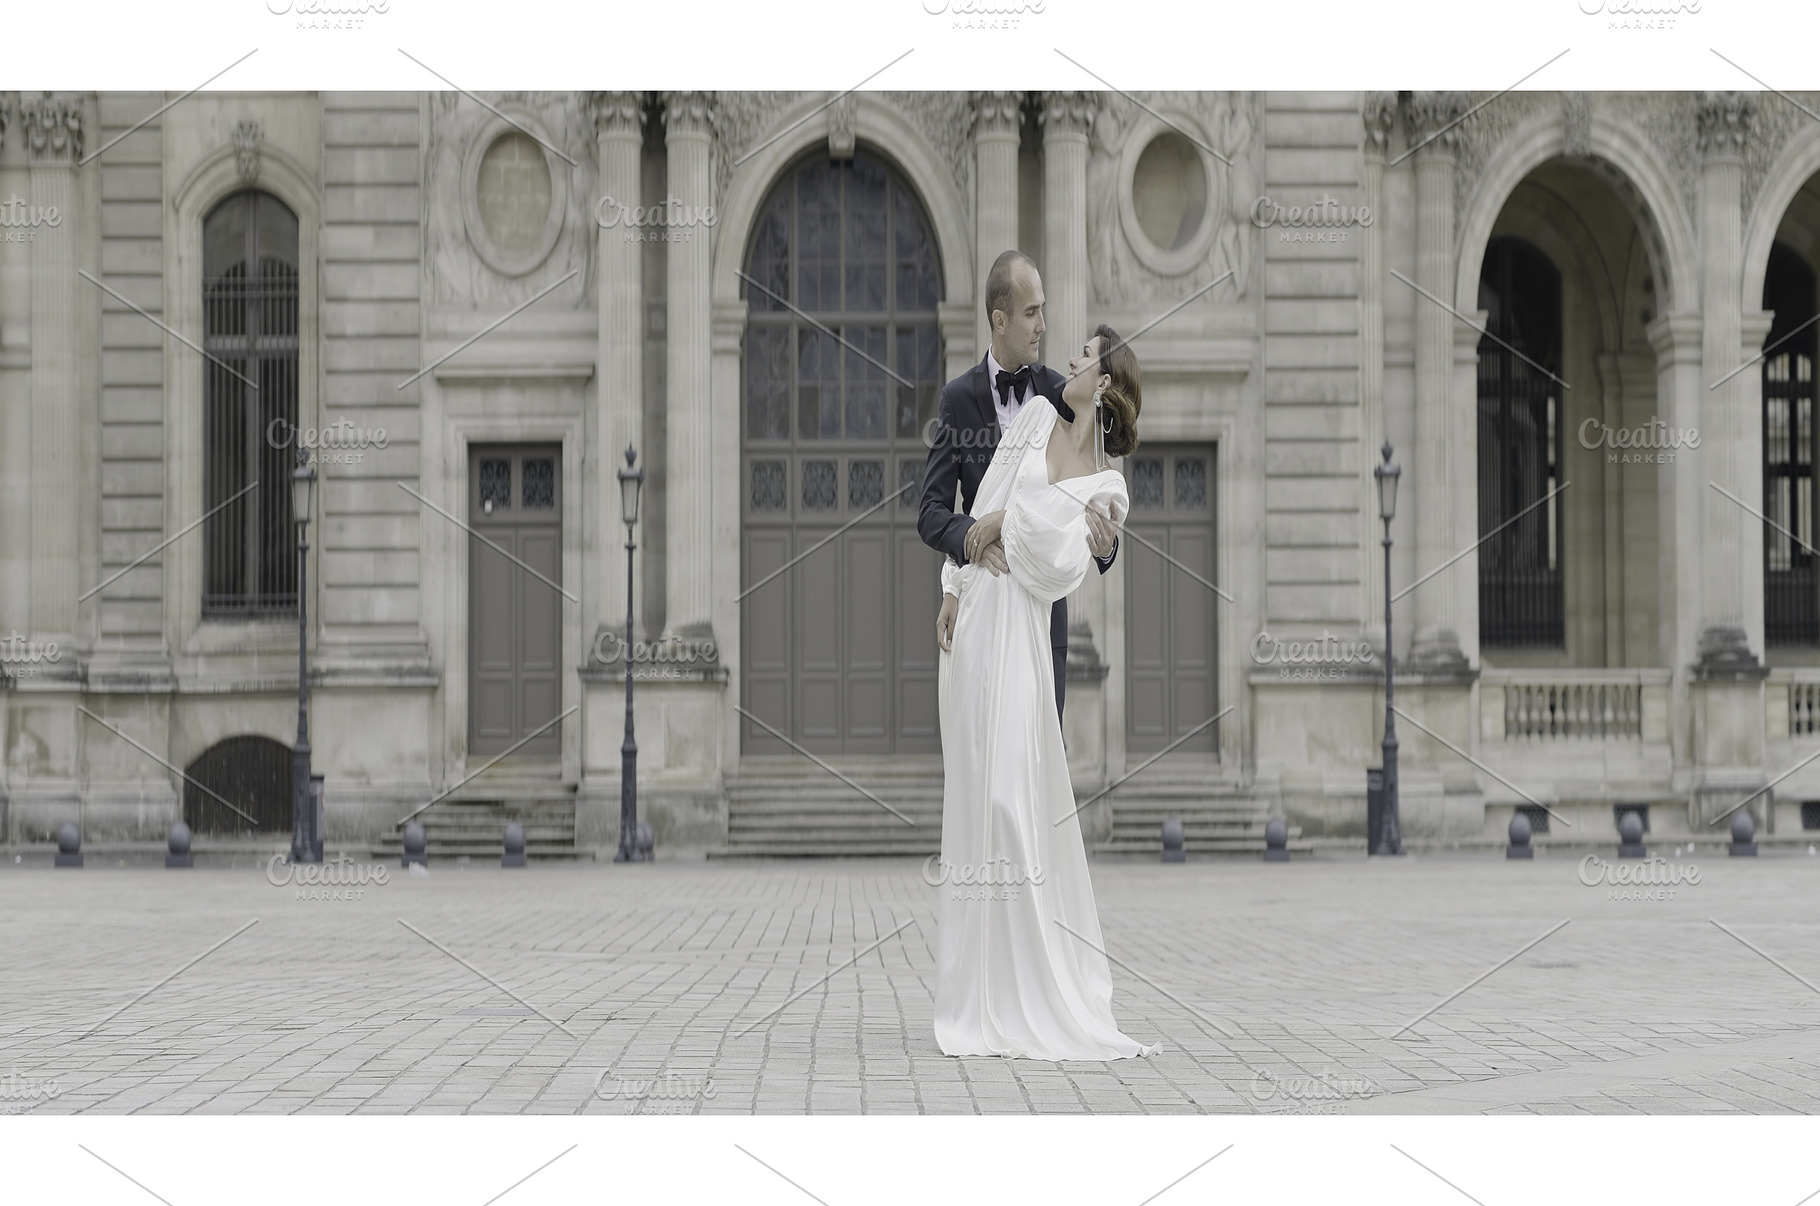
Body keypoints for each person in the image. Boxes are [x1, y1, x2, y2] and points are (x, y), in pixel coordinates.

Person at [931, 323, 1158, 1061]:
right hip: (980, 623)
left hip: (1029, 636)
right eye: (1042, 320)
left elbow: (1063, 567)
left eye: (1085, 353)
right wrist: (957, 579)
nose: (1066, 354)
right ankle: (983, 988)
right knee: (981, 800)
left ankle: (1029, 986)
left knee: (1015, 801)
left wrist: (1011, 527)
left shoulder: (1106, 488)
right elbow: (981, 506)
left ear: (1108, 381)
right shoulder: (1030, 416)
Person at [918, 250, 1119, 718]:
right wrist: (971, 545)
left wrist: (1105, 548)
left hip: (1045, 624)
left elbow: (1084, 494)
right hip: (983, 614)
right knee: (990, 772)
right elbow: (930, 512)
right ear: (999, 319)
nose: (1043, 325)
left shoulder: (1061, 393)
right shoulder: (956, 400)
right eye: (1032, 313)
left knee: (1038, 770)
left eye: (1043, 310)